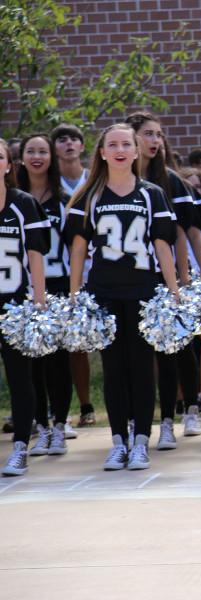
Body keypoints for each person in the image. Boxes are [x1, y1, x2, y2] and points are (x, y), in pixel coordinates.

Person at [66, 124, 179, 471]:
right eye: (112, 144)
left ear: (135, 151)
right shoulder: (90, 195)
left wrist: (173, 292)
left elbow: (162, 244)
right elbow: (79, 248)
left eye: (126, 144)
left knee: (142, 367)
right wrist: (74, 296)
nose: (119, 149)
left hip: (143, 291)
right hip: (104, 293)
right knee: (114, 369)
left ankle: (142, 439)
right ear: (101, 152)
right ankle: (118, 441)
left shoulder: (151, 194)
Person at [126, 111, 201, 450]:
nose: (155, 141)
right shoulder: (117, 180)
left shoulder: (171, 180)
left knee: (177, 348)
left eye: (159, 134)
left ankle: (185, 410)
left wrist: (197, 276)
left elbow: (189, 231)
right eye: (148, 134)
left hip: (171, 275)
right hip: (132, 276)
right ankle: (135, 417)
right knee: (135, 352)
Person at [16, 133, 74, 455]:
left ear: (51, 157)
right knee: (32, 363)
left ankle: (60, 427)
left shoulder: (64, 199)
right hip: (23, 289)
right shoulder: (13, 198)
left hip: (58, 286)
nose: (37, 156)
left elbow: (74, 248)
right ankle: (40, 426)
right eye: (30, 151)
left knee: (57, 362)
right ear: (21, 157)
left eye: (43, 151)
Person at [0, 139, 50, 476]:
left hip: (14, 305)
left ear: (8, 165)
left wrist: (38, 302)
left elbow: (35, 257)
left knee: (20, 378)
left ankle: (20, 446)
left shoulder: (23, 204)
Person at [50, 124, 94, 426]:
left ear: (82, 146)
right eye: (61, 139)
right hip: (58, 271)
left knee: (81, 346)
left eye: (73, 139)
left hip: (95, 270)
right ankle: (58, 410)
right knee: (58, 345)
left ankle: (87, 405)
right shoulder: (48, 185)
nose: (68, 144)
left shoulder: (93, 180)